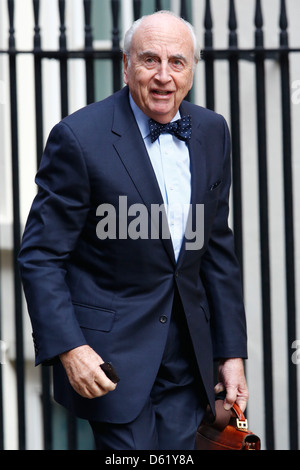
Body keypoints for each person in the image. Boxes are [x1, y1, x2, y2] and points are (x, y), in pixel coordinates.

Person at [18, 10, 248, 450]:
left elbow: (216, 248)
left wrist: (230, 353)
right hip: (112, 360)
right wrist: (71, 348)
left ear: (193, 69)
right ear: (126, 65)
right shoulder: (78, 137)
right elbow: (41, 255)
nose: (164, 76)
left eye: (177, 62)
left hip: (189, 360)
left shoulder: (213, 132)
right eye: (149, 60)